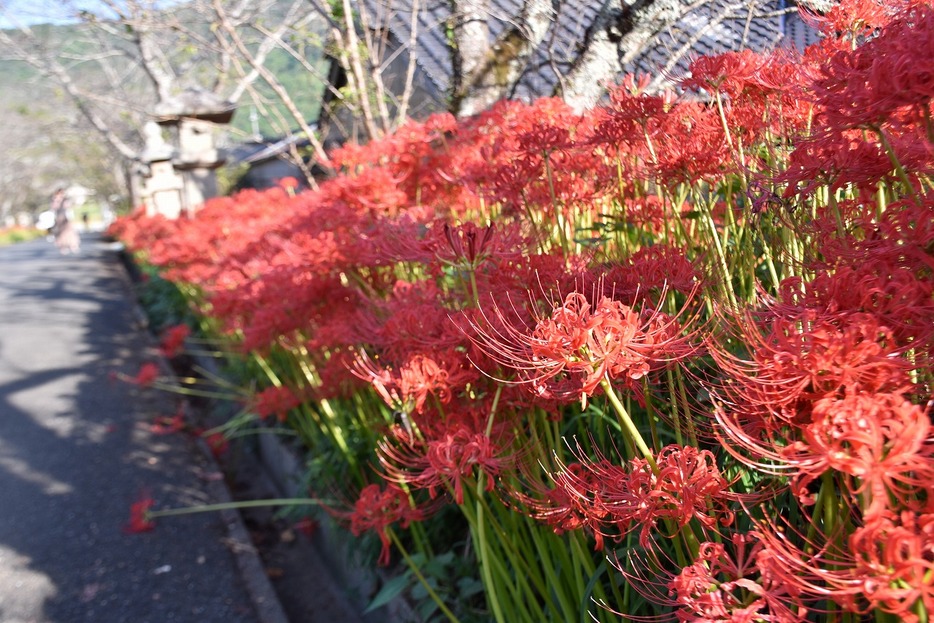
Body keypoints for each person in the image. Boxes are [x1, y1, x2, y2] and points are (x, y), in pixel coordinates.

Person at [51, 188, 80, 254]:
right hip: (58, 219)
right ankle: (63, 247)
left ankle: (73, 245)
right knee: (60, 233)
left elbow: (68, 207)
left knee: (69, 232)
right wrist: (56, 200)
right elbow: (54, 208)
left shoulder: (65, 200)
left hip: (66, 218)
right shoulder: (55, 200)